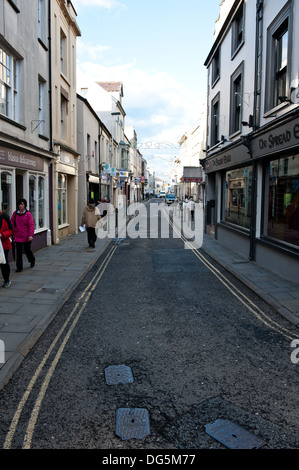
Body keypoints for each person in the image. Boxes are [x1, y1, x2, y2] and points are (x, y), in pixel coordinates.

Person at [11, 199, 35, 272]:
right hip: (18, 236)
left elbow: (31, 225)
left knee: (27, 250)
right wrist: (12, 232)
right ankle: (19, 267)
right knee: (18, 252)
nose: (20, 206)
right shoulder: (15, 213)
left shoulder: (28, 214)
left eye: (22, 204)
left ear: (25, 205)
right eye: (19, 204)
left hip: (26, 236)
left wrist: (31, 235)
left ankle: (32, 259)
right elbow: (12, 223)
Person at [0, 210, 13, 287]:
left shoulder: (5, 218)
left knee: (4, 263)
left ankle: (7, 280)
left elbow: (11, 231)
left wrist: (2, 235)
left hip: (4, 244)